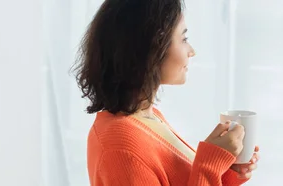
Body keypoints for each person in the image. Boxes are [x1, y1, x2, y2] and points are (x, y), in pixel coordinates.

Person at [73, 0, 260, 185]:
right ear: (152, 46)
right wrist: (210, 163)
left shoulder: (147, 118)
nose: (192, 51)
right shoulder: (121, 147)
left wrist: (225, 172)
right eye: (184, 39)